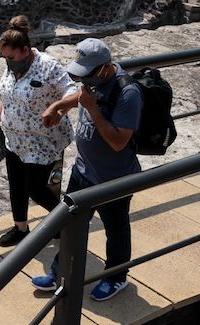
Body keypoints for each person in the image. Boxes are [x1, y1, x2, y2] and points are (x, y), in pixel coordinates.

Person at [32, 38, 142, 302]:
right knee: (70, 225)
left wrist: (92, 109)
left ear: (105, 68)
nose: (85, 80)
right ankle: (61, 272)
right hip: (83, 171)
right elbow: (81, 96)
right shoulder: (94, 80)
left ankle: (116, 277)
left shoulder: (128, 93)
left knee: (115, 230)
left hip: (113, 179)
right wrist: (59, 106)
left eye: (88, 74)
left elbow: (118, 142)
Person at [0, 16, 76, 247]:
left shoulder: (47, 66)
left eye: (11, 57)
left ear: (25, 50)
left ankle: (66, 220)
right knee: (16, 185)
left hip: (41, 140)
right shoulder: (11, 66)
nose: (8, 62)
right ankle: (21, 228)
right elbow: (6, 95)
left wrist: (56, 109)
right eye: (5, 57)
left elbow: (73, 92)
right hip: (13, 138)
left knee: (35, 188)